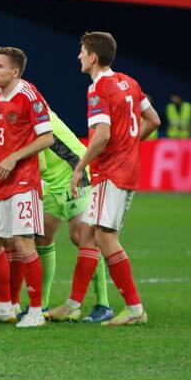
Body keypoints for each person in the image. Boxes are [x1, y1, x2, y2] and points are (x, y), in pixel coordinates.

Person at [69, 31, 160, 326]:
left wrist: (81, 165)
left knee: (106, 238)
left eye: (82, 52)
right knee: (89, 233)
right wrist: (130, 146)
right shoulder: (129, 81)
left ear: (93, 57)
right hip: (128, 168)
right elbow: (154, 120)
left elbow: (103, 134)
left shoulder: (98, 89)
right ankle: (74, 303)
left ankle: (134, 309)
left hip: (112, 171)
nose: (79, 56)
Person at [0, 47, 54, 328]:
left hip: (23, 182)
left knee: (22, 243)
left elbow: (47, 138)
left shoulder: (29, 95)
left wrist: (15, 156)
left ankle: (35, 311)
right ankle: (4, 306)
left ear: (15, 72)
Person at [33, 109, 114, 323]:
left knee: (82, 237)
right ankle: (41, 305)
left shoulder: (30, 110)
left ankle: (103, 305)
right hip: (51, 182)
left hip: (74, 173)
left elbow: (37, 161)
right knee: (42, 238)